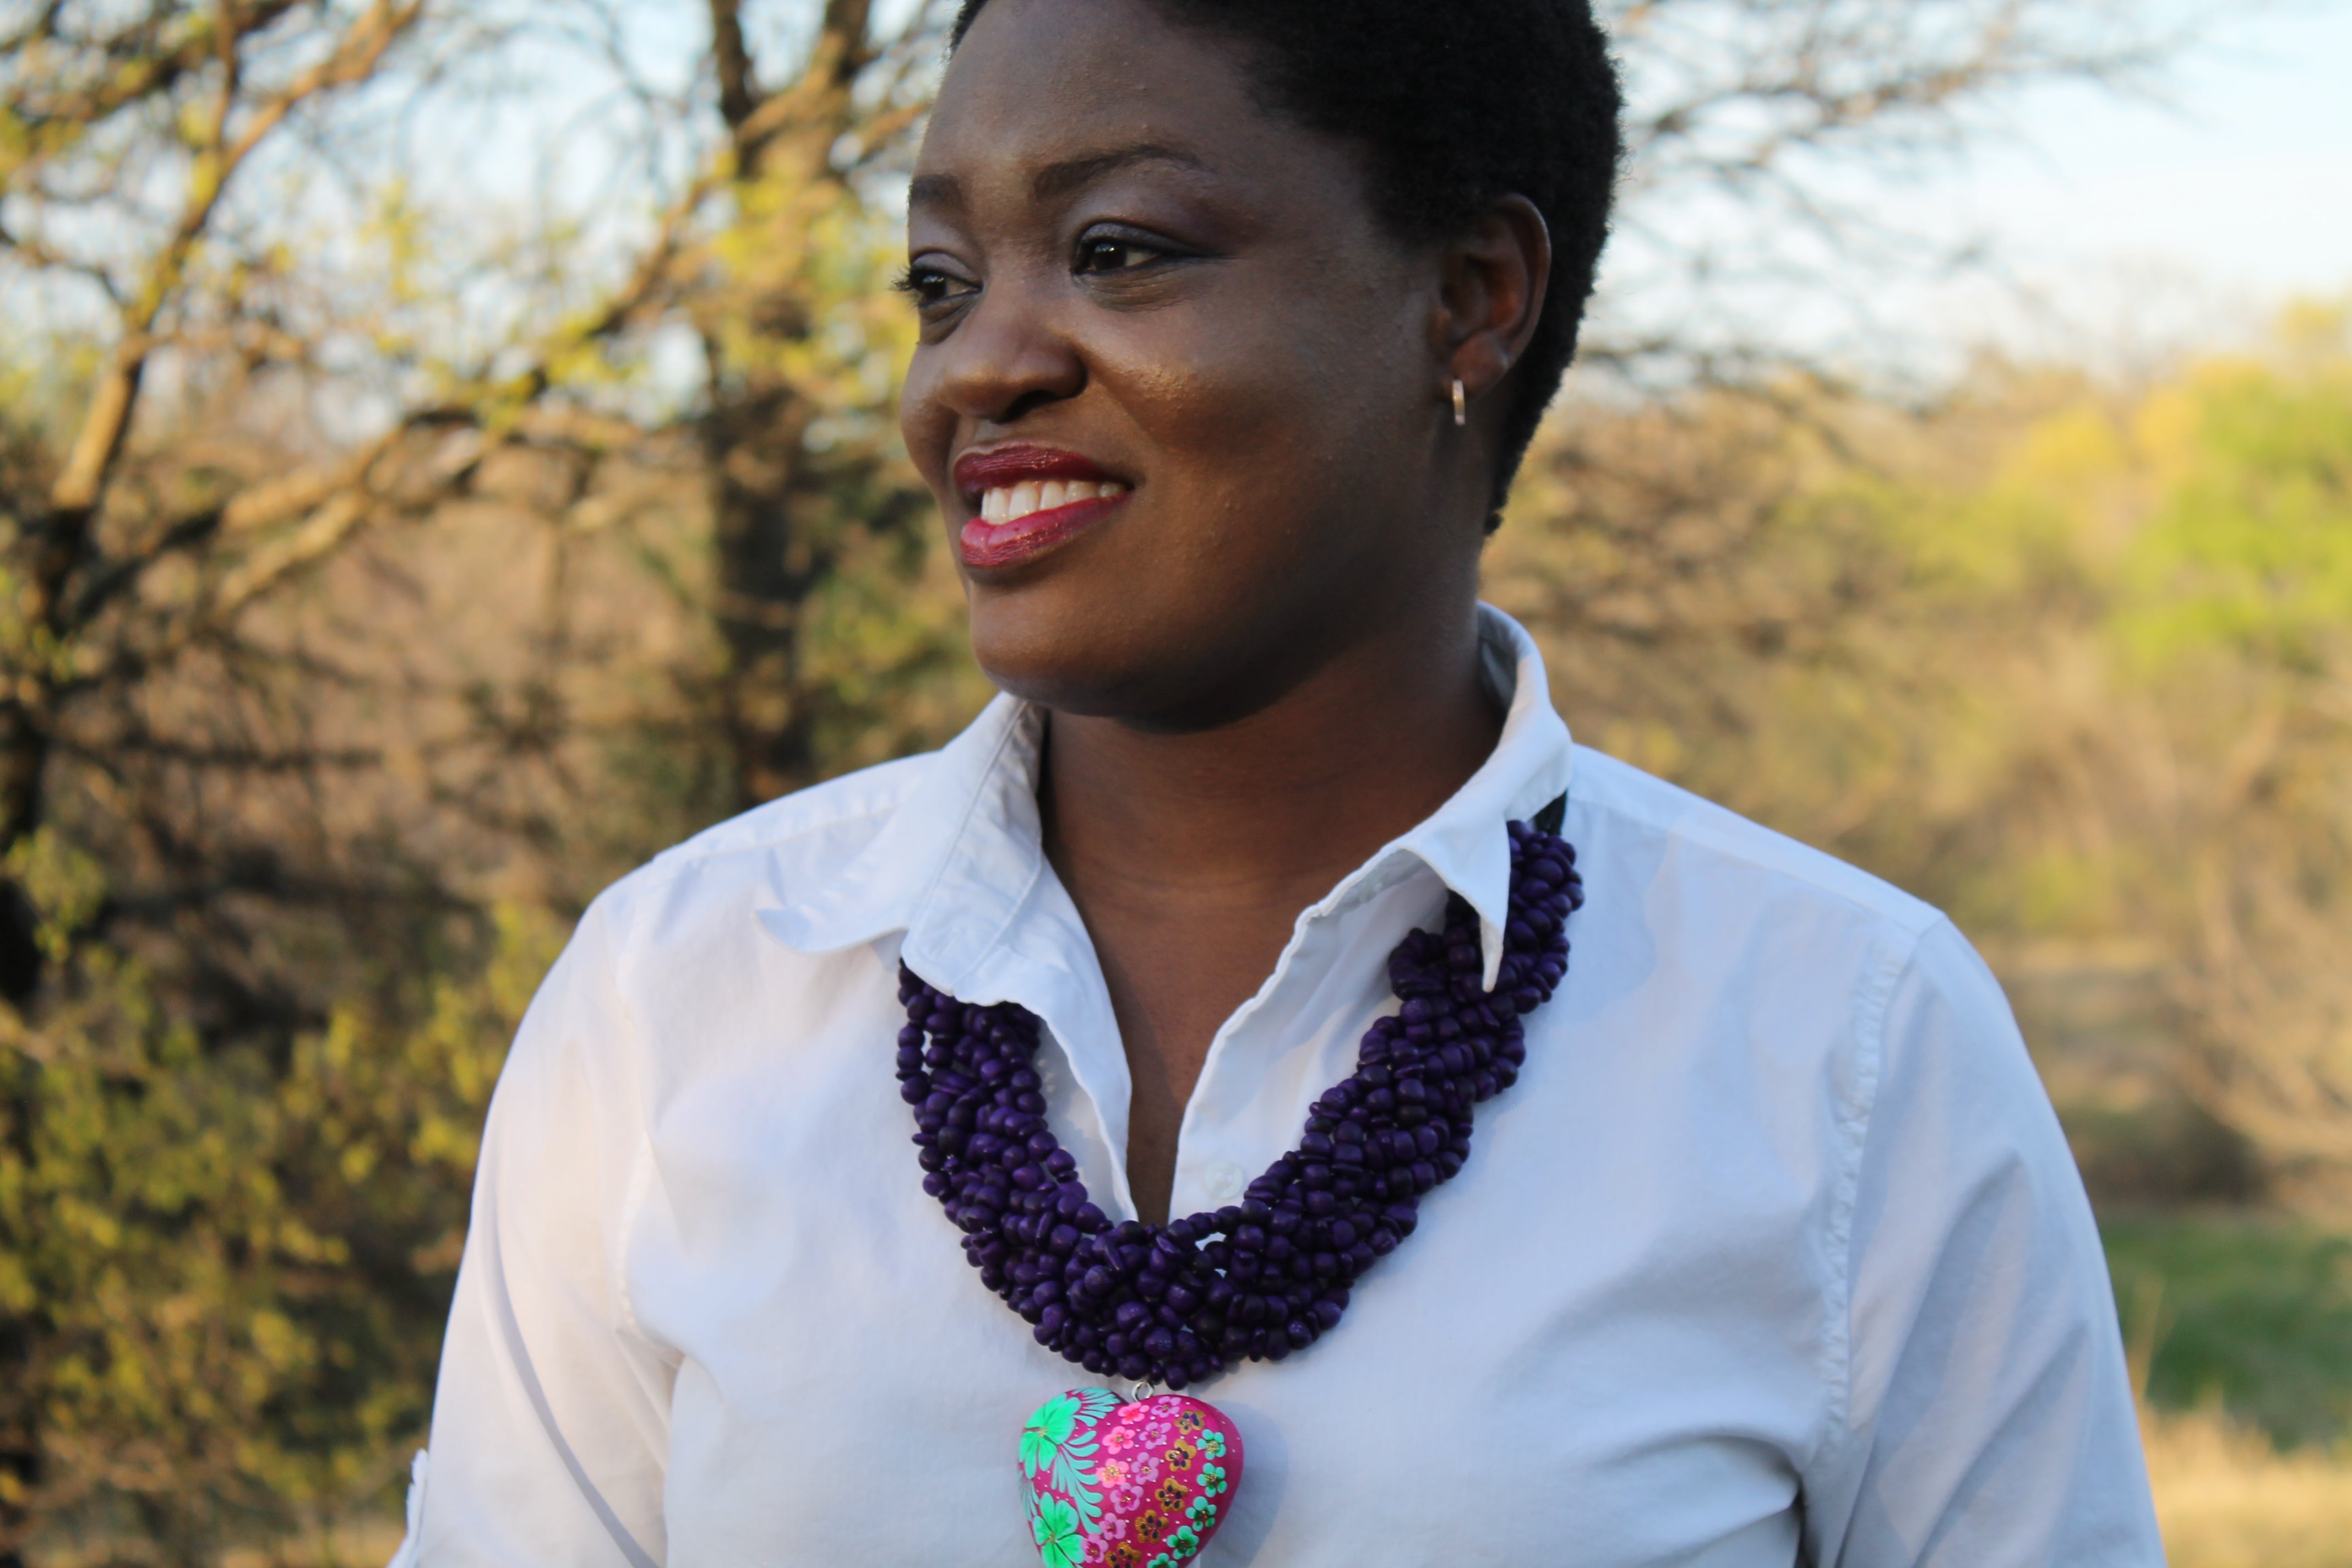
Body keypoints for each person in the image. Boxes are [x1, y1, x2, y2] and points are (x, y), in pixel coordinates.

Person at [394, 0, 2165, 1563]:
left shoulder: (1842, 1043)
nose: (980, 363)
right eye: (942, 279)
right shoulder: (681, 993)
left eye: (1118, 249)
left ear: (1471, 298)